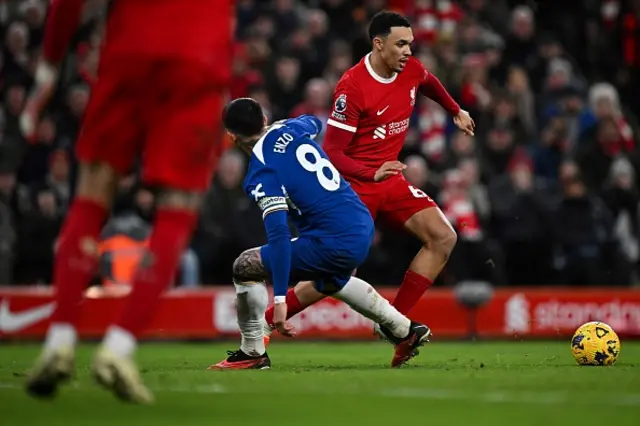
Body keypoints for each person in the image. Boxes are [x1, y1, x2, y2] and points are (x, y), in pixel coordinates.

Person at [23, 0, 231, 404]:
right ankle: (118, 350)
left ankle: (59, 340)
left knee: (91, 194)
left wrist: (50, 62)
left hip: (129, 50)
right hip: (197, 57)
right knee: (177, 208)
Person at [262, 11, 475, 343]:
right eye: (401, 44)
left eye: (410, 44)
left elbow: (428, 82)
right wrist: (370, 172)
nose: (408, 51)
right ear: (378, 44)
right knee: (337, 276)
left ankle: (394, 322)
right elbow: (332, 153)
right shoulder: (353, 87)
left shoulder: (410, 70)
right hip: (354, 187)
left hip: (389, 178)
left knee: (443, 237)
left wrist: (455, 110)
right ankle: (263, 323)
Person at [210, 98, 431, 370]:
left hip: (333, 238)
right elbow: (314, 122)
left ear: (231, 137)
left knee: (245, 265)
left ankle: (251, 351)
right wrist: (288, 128)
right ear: (265, 120)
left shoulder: (262, 171)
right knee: (332, 280)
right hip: (360, 224)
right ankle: (404, 330)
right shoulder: (289, 128)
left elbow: (278, 233)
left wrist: (279, 298)